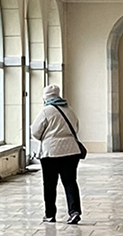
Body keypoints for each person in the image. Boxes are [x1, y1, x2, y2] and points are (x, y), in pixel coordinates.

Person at [30, 84, 84, 224]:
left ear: (45, 97)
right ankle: (74, 212)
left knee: (49, 184)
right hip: (71, 151)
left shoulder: (46, 111)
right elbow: (76, 127)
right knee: (70, 182)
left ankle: (50, 214)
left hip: (51, 153)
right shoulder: (69, 110)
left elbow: (35, 131)